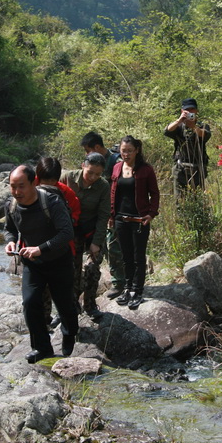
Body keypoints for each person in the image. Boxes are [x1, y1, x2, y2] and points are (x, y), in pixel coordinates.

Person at [4, 164, 79, 363]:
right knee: (30, 303)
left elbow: (67, 233)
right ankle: (41, 348)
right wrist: (10, 241)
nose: (16, 192)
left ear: (34, 183)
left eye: (21, 186)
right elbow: (10, 229)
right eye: (13, 186)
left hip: (59, 261)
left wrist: (40, 248)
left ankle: (69, 334)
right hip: (33, 263)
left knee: (65, 305)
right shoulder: (11, 204)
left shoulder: (52, 202)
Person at [109, 135, 160, 310]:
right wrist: (111, 216)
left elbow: (155, 193)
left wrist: (151, 214)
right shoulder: (116, 167)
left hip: (139, 219)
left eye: (130, 151)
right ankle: (127, 288)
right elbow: (113, 193)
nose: (126, 154)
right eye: (123, 151)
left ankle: (138, 291)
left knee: (139, 257)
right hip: (120, 219)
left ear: (137, 150)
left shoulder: (146, 170)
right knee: (126, 256)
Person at [61, 152, 111, 321]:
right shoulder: (68, 178)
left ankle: (90, 305)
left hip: (92, 232)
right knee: (71, 271)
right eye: (90, 172)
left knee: (91, 268)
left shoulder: (103, 186)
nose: (93, 177)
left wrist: (96, 242)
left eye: (98, 174)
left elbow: (104, 216)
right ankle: (70, 307)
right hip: (70, 233)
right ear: (83, 166)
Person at [35, 157, 81, 325]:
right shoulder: (29, 188)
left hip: (62, 248)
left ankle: (67, 319)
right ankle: (45, 320)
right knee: (42, 291)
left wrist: (65, 220)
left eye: (52, 181)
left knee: (65, 288)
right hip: (37, 248)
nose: (48, 184)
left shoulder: (66, 193)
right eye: (44, 180)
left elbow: (76, 214)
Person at [80, 131, 125, 298]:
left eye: (88, 150)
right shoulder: (92, 163)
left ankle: (119, 283)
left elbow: (122, 189)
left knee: (114, 248)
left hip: (114, 211)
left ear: (97, 147)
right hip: (98, 213)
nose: (87, 154)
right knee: (102, 250)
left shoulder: (116, 162)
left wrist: (114, 213)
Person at [164, 98, 211, 197]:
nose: (190, 112)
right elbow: (167, 131)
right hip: (181, 169)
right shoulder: (178, 126)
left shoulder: (202, 125)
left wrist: (193, 127)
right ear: (182, 111)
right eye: (187, 110)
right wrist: (179, 120)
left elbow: (204, 134)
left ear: (196, 111)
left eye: (192, 109)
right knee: (180, 200)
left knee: (198, 199)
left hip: (198, 168)